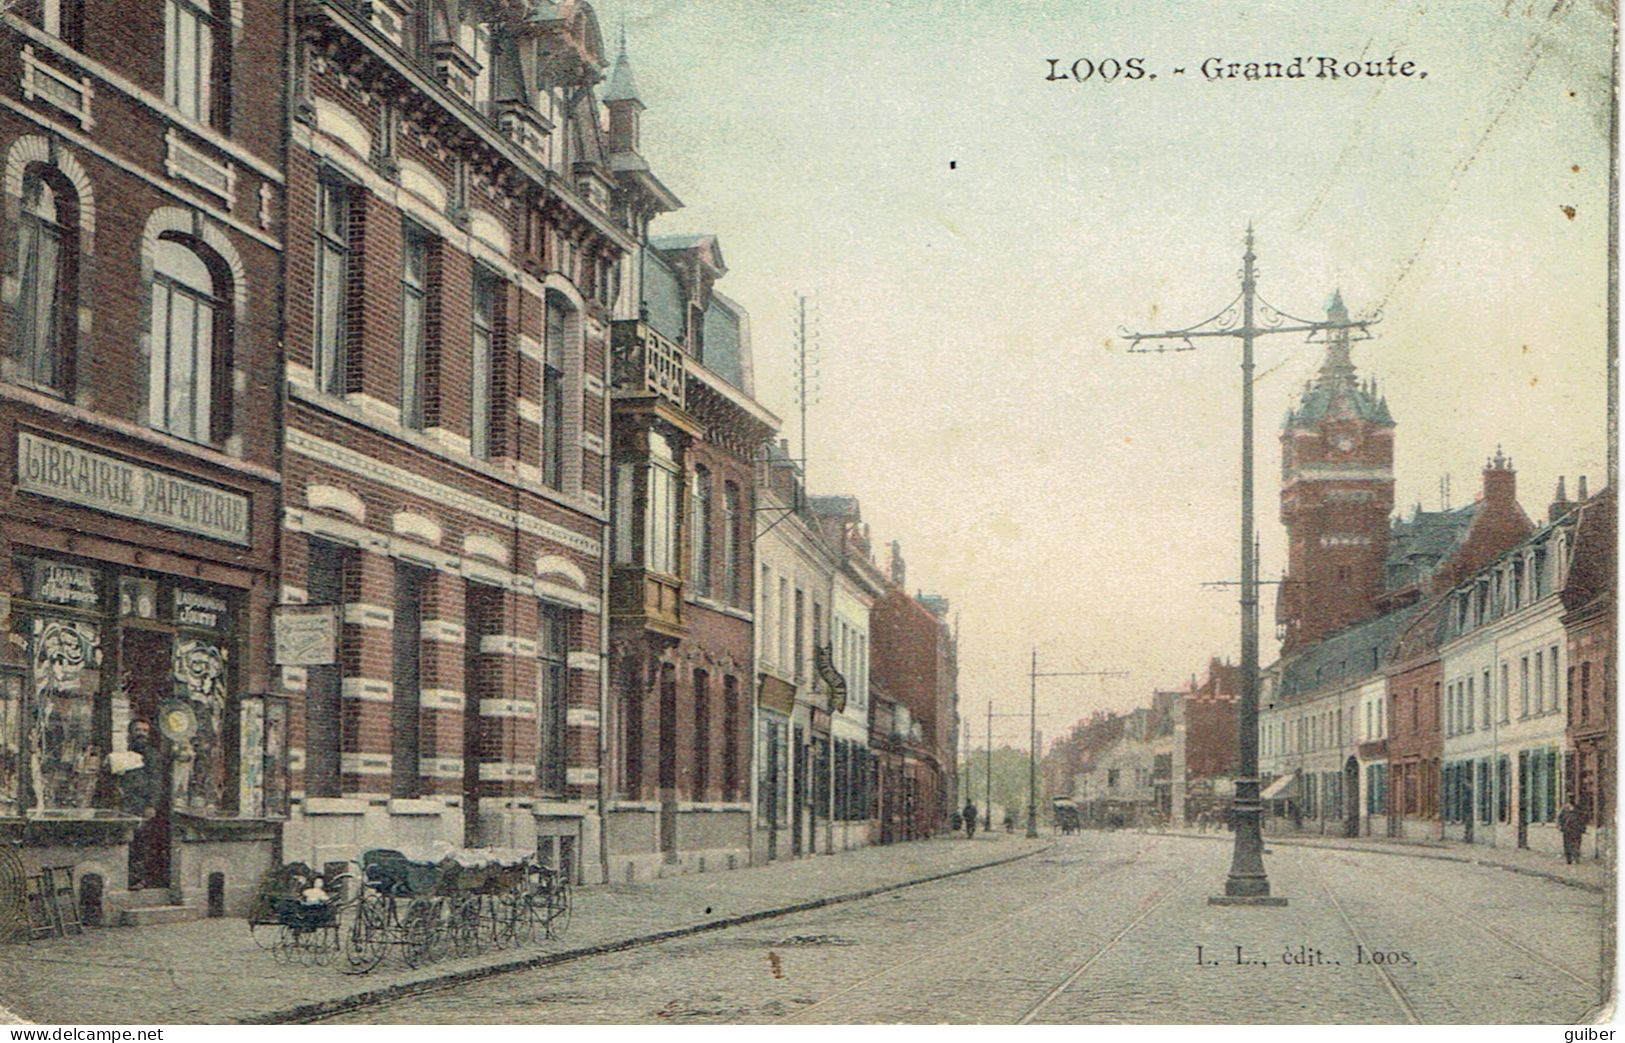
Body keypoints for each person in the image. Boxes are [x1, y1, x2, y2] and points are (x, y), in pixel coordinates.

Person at [1559, 800, 1587, 865]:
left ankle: (1572, 858)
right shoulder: (1576, 809)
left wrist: (1562, 826)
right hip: (1573, 829)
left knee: (1571, 844)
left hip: (1571, 829)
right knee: (1573, 844)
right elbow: (1583, 819)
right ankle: (1572, 858)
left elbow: (1560, 818)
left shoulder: (1566, 808)